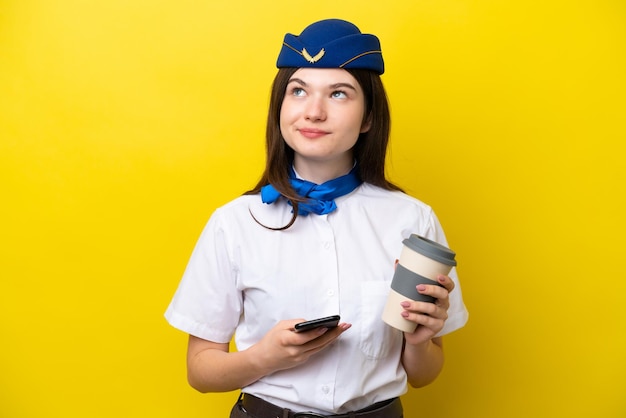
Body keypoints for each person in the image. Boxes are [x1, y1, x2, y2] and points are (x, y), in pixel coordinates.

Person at [165, 18, 468, 418]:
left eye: (339, 93)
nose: (314, 111)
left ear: (368, 118)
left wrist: (419, 341)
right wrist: (265, 357)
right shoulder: (234, 222)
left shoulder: (412, 220)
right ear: (280, 107)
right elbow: (200, 371)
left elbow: (424, 374)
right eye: (298, 91)